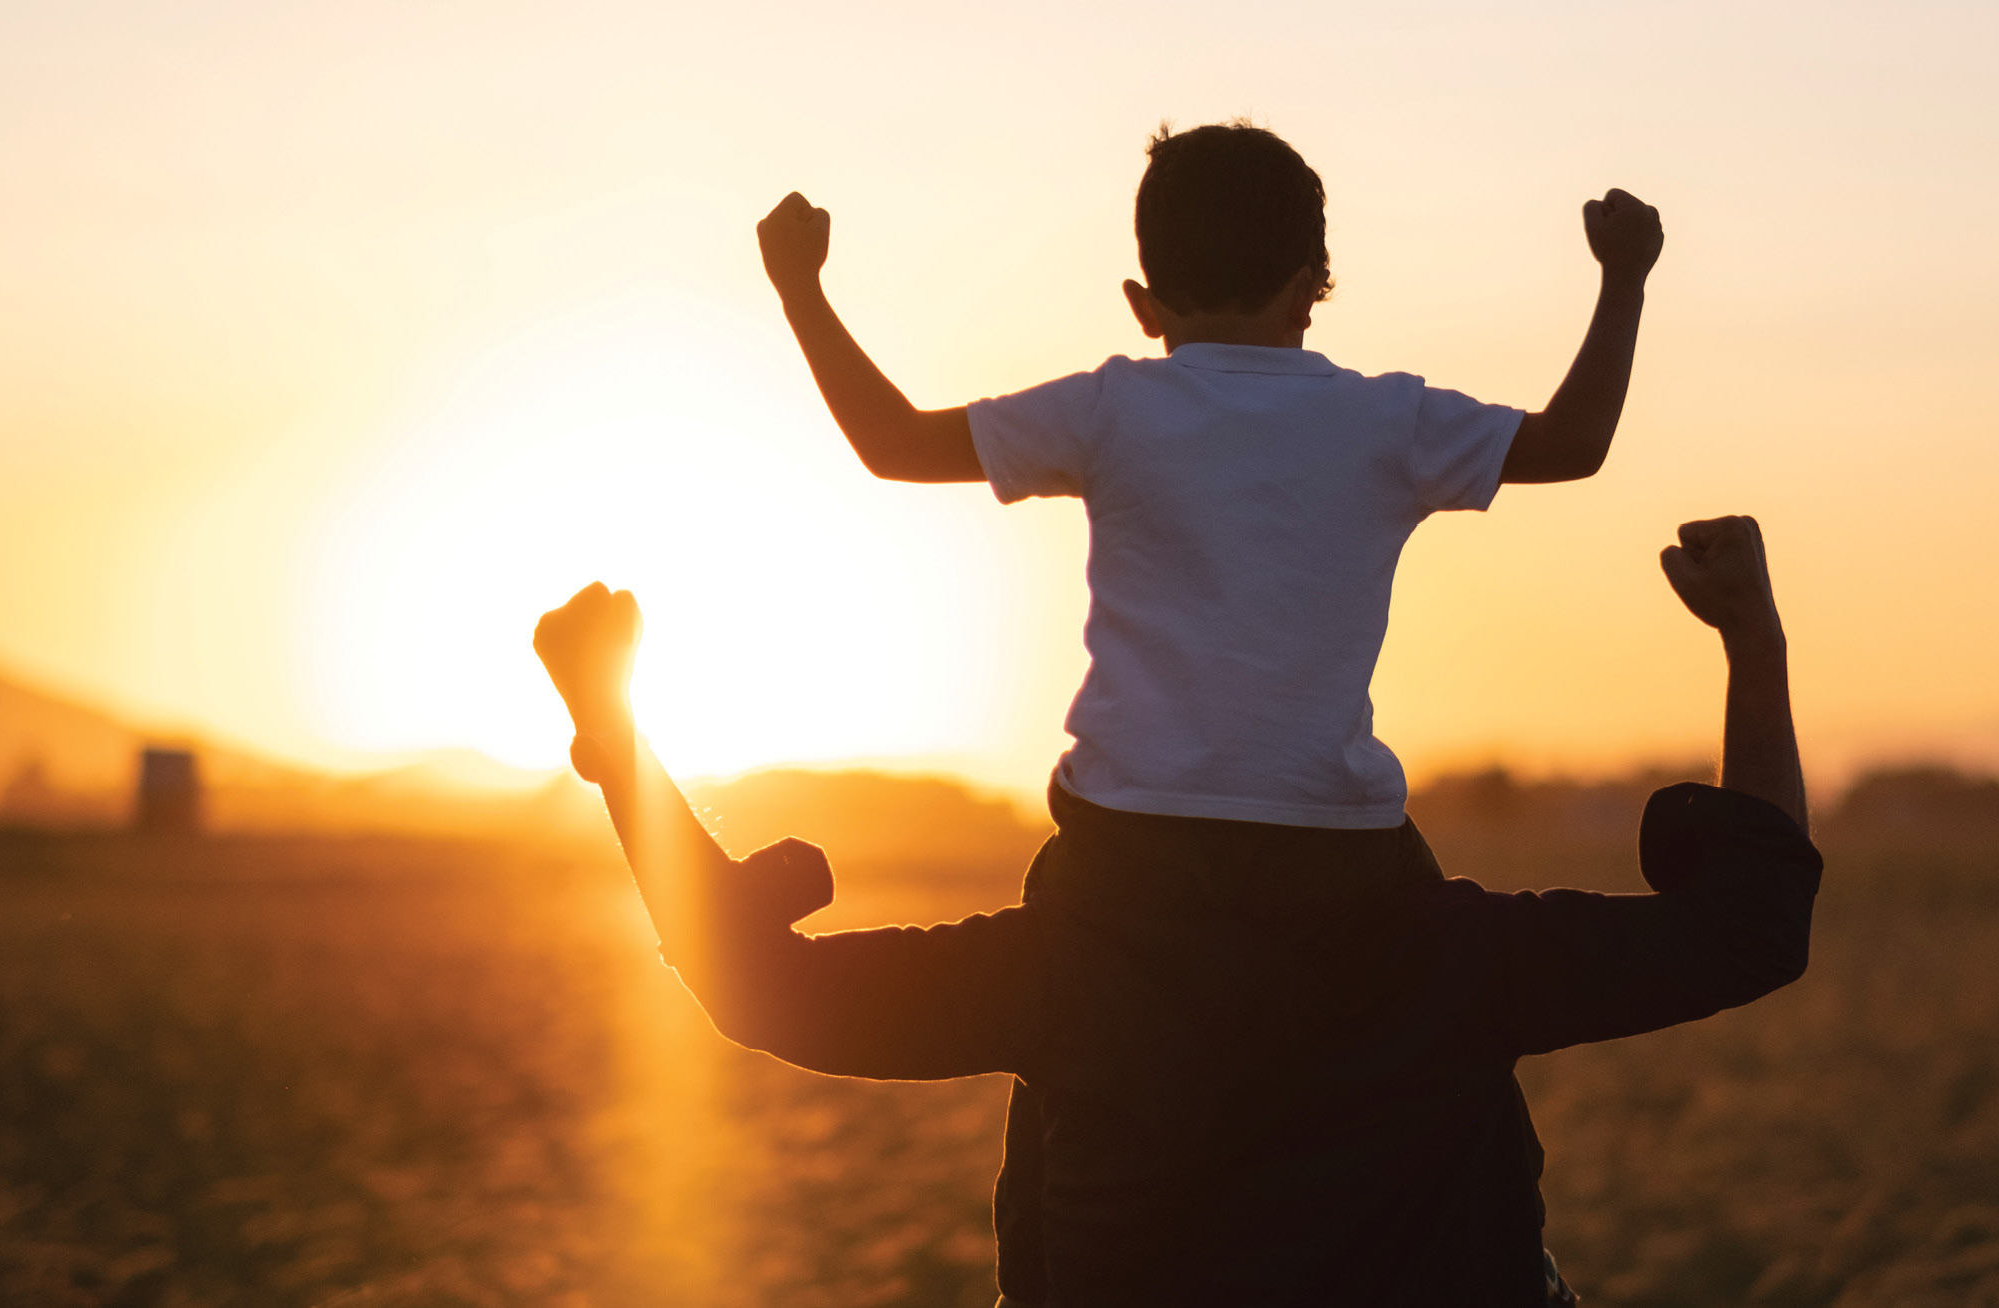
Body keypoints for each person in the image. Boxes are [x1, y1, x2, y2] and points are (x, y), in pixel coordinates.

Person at [757, 123, 1664, 1293]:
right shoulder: (1384, 417)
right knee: (1444, 1044)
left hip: (1130, 852)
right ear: (1314, 285)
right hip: (1341, 857)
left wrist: (801, 292)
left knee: (1069, 1083)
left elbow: (891, 444)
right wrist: (1623, 282)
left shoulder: (1112, 409)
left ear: (1142, 301)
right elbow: (1573, 444)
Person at [533, 515, 1818, 1307]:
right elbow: (1750, 923)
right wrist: (1751, 641)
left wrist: (619, 736)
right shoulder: (1454, 956)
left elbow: (762, 986)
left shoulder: (1063, 971)